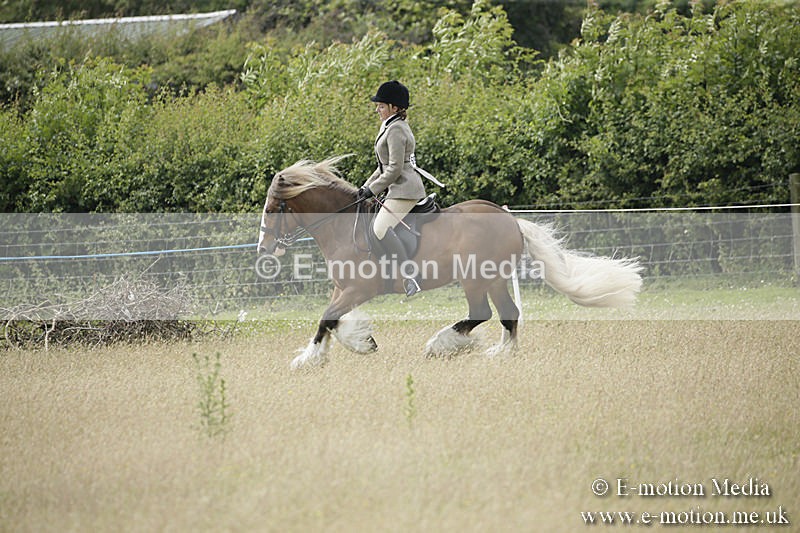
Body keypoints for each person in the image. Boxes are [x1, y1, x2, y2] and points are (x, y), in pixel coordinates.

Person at [357, 80, 432, 297]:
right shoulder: (389, 125)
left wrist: (373, 190)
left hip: (405, 189)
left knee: (379, 229)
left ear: (395, 107)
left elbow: (395, 169)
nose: (377, 109)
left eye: (381, 105)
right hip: (396, 187)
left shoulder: (397, 129)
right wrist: (365, 187)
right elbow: (383, 166)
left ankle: (411, 276)